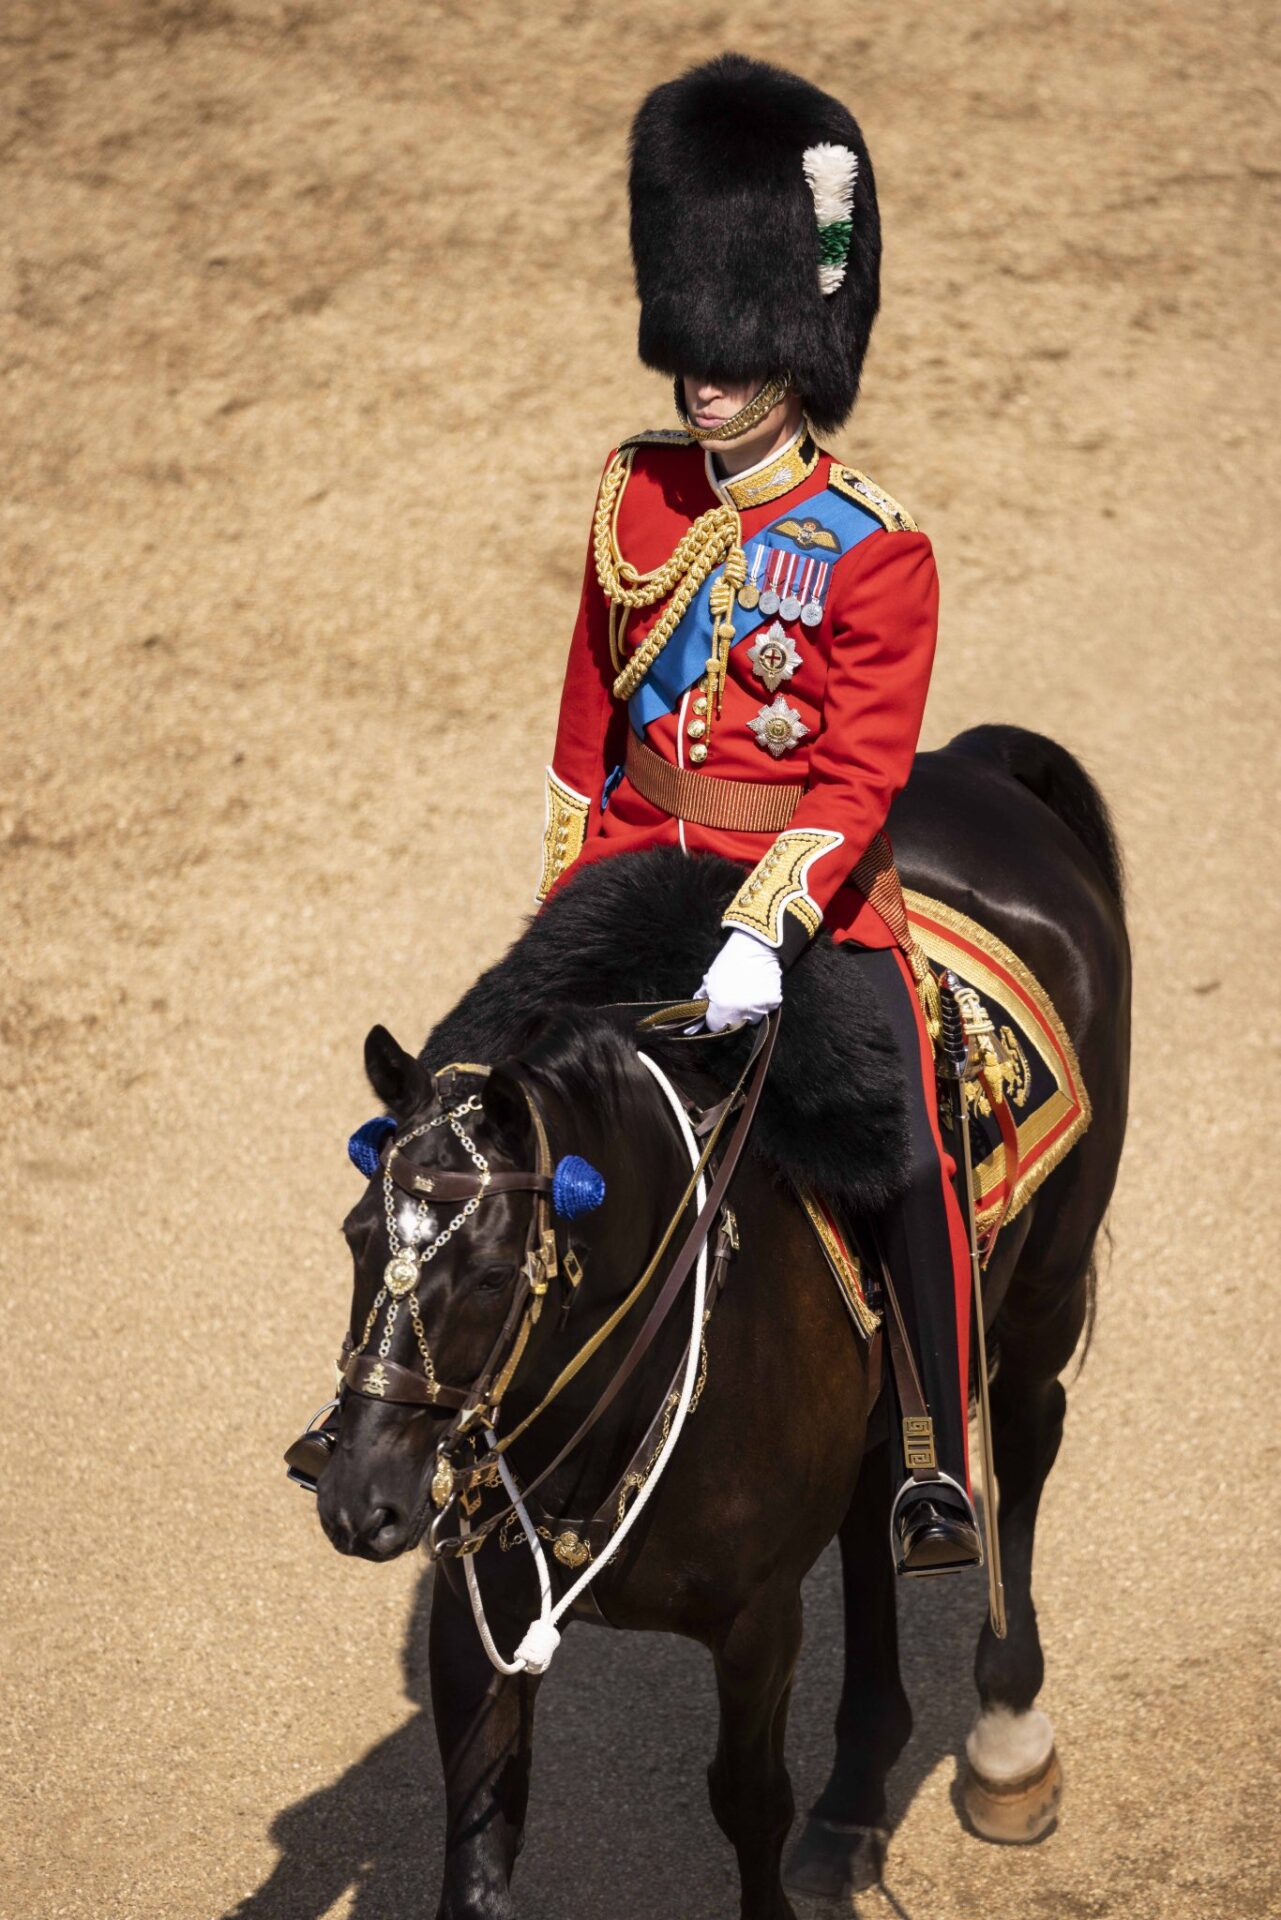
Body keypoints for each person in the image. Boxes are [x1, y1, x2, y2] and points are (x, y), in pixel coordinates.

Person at [535, 53, 980, 1575]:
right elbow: (587, 720)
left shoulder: (875, 548)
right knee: (466, 1098)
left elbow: (853, 780)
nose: (701, 375)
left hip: (800, 903)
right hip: (634, 869)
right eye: (691, 346)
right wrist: (563, 909)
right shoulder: (632, 490)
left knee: (901, 1144)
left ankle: (934, 1453)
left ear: (798, 341)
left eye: (733, 347)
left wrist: (762, 929)